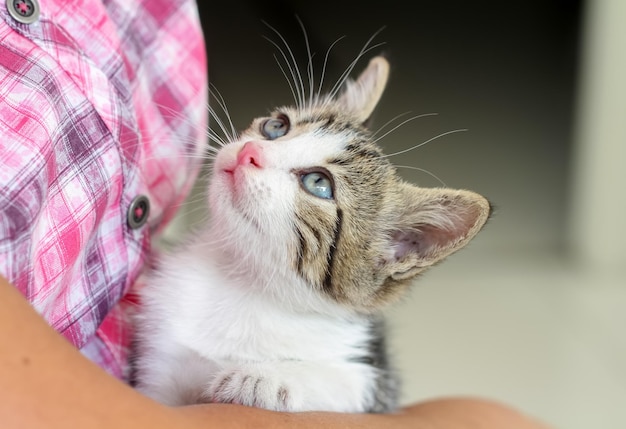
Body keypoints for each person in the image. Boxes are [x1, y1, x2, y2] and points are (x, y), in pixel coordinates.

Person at [0, 0, 548, 427]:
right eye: (279, 127)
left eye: (316, 183)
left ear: (395, 249)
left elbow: (362, 388)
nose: (257, 151)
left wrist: (307, 388)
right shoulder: (175, 292)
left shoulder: (327, 345)